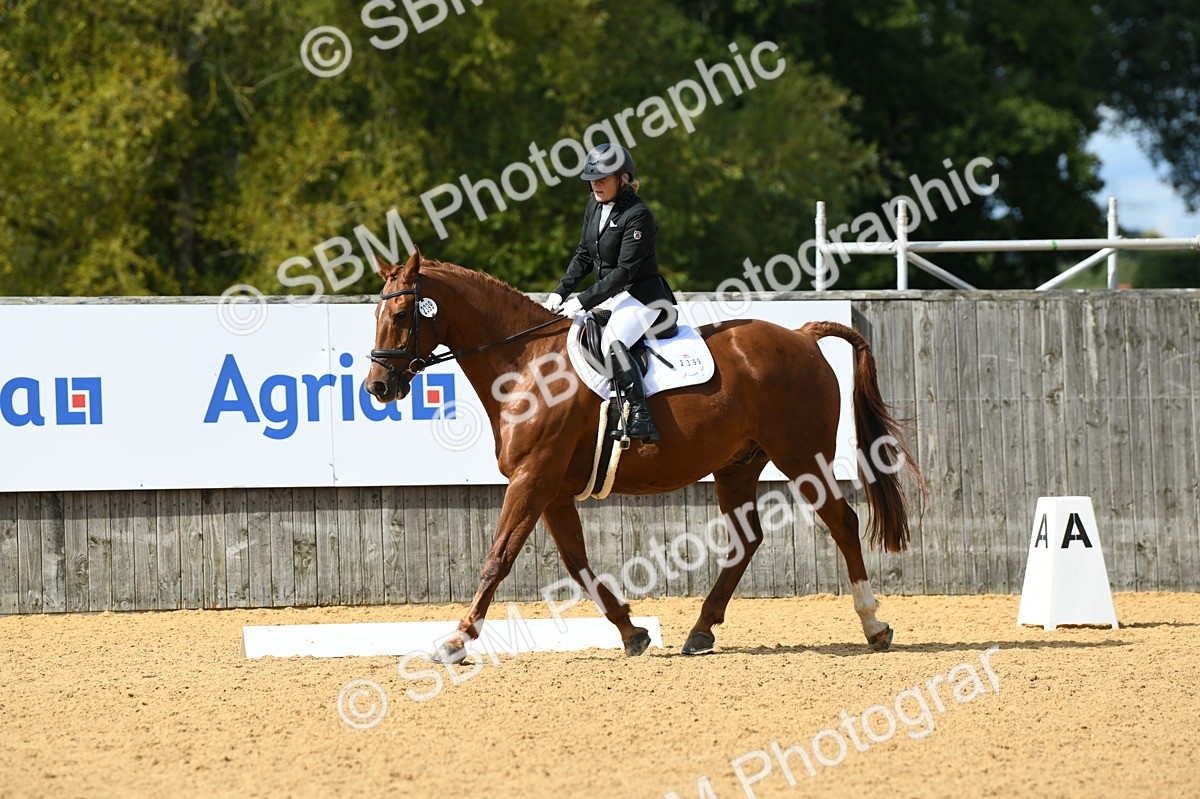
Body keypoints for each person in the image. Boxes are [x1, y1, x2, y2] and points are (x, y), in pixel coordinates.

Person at [543, 143, 677, 444]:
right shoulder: (593, 205)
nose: (596, 184)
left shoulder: (638, 215)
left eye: (603, 178)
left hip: (643, 297)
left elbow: (624, 274)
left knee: (612, 342)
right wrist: (560, 292)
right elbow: (583, 256)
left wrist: (582, 300)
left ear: (623, 178)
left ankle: (642, 417)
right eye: (592, 179)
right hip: (612, 296)